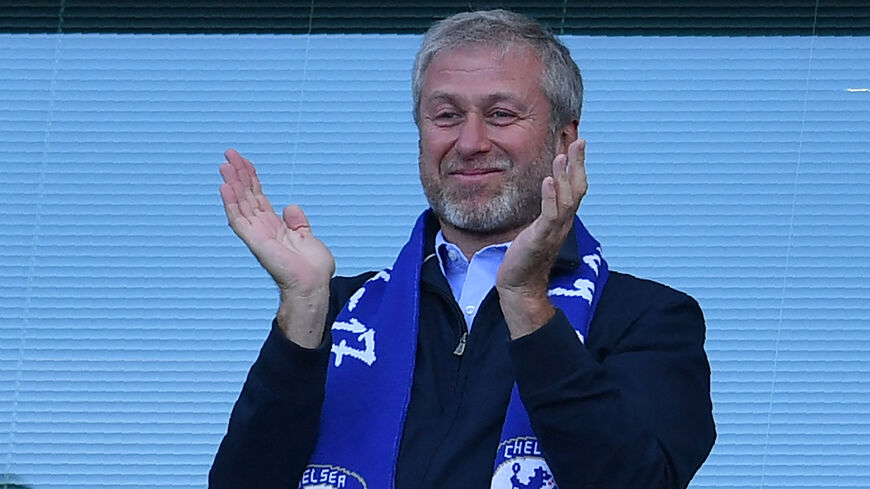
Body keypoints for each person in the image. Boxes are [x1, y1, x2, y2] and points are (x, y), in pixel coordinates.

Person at [210, 9, 715, 489]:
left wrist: (527, 304)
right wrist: (302, 311)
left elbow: (637, 480)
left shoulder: (647, 318)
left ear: (564, 140)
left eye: (500, 114)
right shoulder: (334, 313)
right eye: (447, 115)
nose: (470, 142)